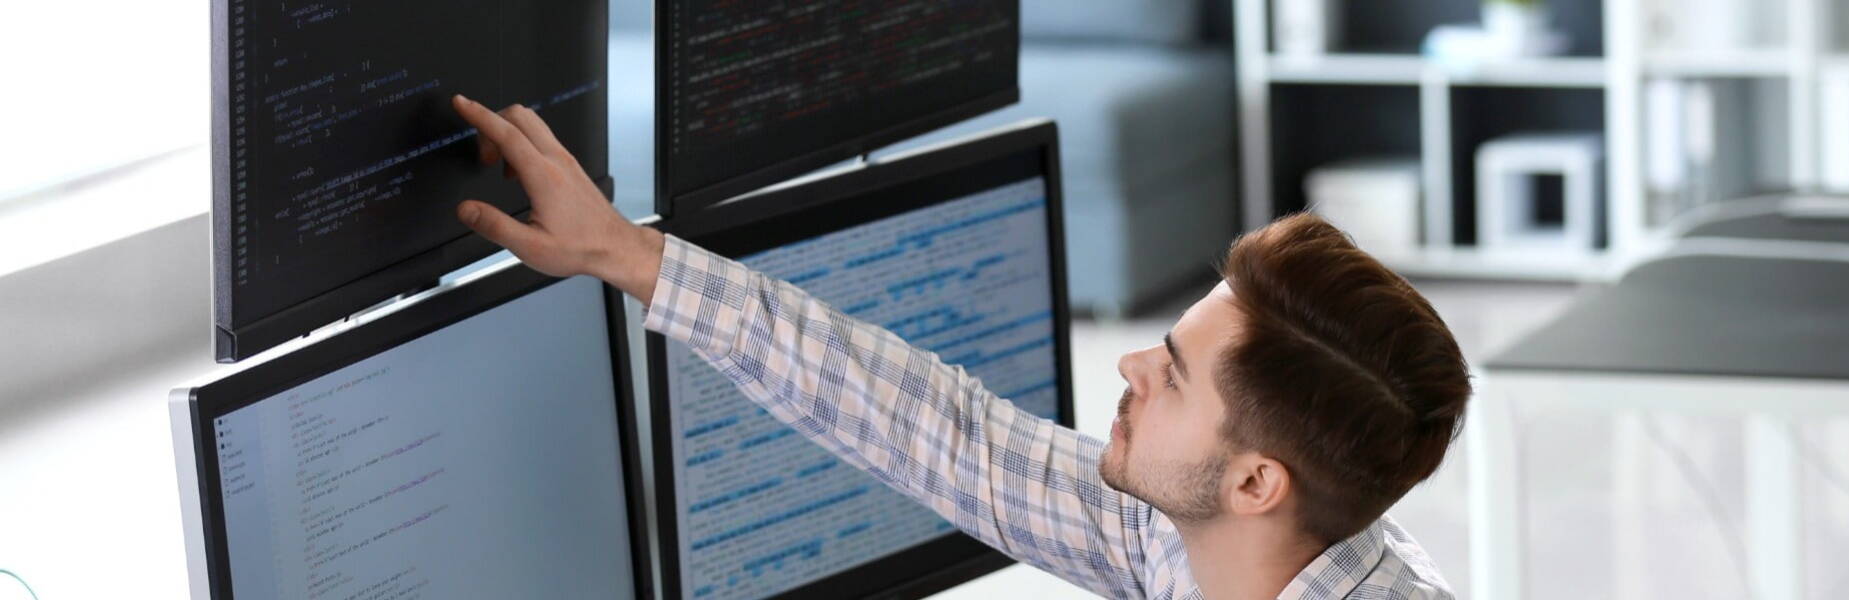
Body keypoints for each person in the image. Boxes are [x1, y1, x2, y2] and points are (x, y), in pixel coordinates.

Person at [448, 95, 1470, 599]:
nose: (1127, 365)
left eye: (1171, 375)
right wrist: (630, 256)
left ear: (1255, 481)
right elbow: (949, 438)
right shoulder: (1201, 544)